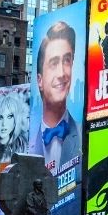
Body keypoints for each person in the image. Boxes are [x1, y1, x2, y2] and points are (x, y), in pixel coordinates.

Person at [29, 21, 81, 176]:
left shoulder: (85, 135)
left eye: (66, 60)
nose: (62, 73)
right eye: (53, 63)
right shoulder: (26, 147)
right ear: (39, 80)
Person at [0, 91, 28, 163]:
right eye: (0, 118)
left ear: (15, 119)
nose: (4, 124)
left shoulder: (23, 145)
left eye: (9, 117)